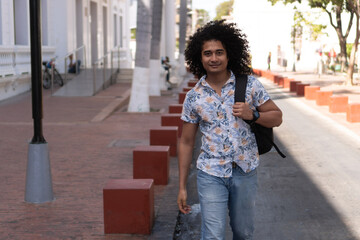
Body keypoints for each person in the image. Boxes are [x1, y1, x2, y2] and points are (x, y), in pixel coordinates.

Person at [177, 20, 283, 240]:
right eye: (208, 53)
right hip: (211, 173)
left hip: (244, 170)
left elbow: (277, 117)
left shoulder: (250, 86)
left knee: (243, 233)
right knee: (213, 235)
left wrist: (253, 114)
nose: (214, 58)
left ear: (229, 55)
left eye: (219, 52)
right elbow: (186, 142)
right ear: (200, 57)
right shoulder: (194, 97)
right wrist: (182, 187)